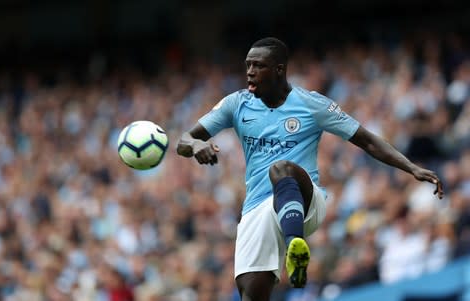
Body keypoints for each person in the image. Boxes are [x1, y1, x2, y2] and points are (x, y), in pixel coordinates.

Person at [176, 37, 444, 301]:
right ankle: (293, 247)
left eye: (258, 65)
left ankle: (296, 246)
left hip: (305, 200)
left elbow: (366, 140)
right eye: (247, 65)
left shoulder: (311, 104)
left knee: (281, 169)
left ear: (279, 69)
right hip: (256, 209)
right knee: (251, 295)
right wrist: (197, 145)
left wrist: (411, 168)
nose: (250, 71)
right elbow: (183, 140)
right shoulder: (236, 103)